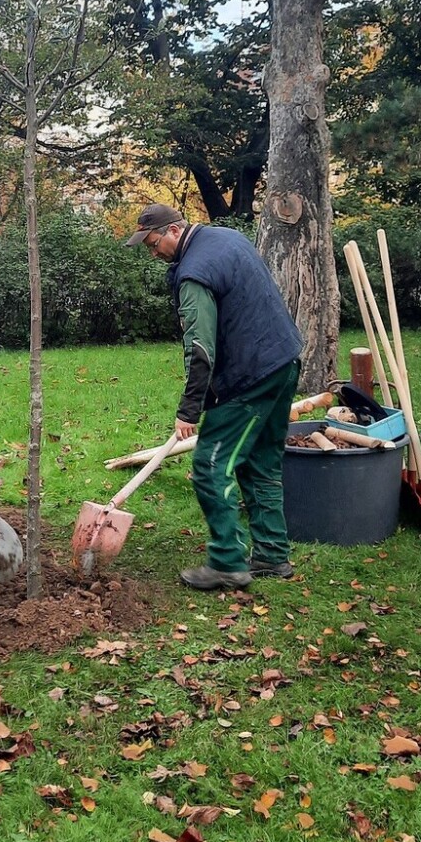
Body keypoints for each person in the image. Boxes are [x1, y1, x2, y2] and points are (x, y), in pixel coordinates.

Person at [126, 202, 303, 591]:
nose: (152, 253)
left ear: (173, 231)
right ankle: (272, 556)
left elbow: (200, 349)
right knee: (259, 462)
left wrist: (190, 409)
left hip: (252, 376)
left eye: (153, 243)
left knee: (210, 465)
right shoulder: (227, 238)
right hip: (284, 361)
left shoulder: (193, 273)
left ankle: (227, 562)